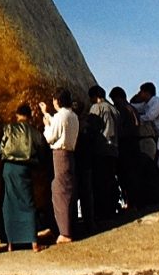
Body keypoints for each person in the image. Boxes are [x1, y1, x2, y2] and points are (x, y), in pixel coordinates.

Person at [0, 102, 46, 251]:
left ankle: (10, 243)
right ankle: (34, 243)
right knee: (28, 202)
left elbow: (1, 147)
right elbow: (42, 150)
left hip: (8, 168)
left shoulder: (8, 128)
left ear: (17, 115)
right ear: (29, 116)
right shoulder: (34, 132)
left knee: (9, 204)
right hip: (25, 169)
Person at [39, 87, 80, 243]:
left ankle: (65, 233)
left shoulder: (60, 116)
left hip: (60, 155)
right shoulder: (73, 116)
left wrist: (45, 125)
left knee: (60, 192)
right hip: (70, 154)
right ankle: (70, 228)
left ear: (57, 101)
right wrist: (46, 113)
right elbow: (59, 125)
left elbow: (51, 136)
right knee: (68, 191)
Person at [86, 85, 120, 225]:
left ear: (95, 97)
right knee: (111, 180)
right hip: (114, 149)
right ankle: (112, 210)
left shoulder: (96, 108)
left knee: (100, 182)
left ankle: (102, 213)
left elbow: (91, 129)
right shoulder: (114, 109)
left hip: (101, 148)